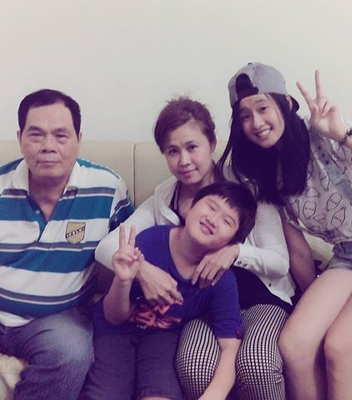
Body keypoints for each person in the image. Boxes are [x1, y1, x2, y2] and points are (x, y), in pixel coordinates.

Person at [219, 62, 352, 400]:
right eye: (245, 116)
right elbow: (299, 250)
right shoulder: (261, 171)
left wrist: (342, 132)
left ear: (286, 103)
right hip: (347, 256)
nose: (256, 122)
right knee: (295, 344)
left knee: (341, 346)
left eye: (263, 108)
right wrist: (311, 300)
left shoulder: (325, 133)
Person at [94, 97, 296, 400]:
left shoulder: (248, 188)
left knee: (257, 364)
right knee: (194, 366)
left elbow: (280, 262)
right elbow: (109, 245)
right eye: (172, 151)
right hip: (202, 305)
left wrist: (235, 252)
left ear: (212, 143)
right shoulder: (164, 198)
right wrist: (142, 271)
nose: (184, 161)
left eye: (192, 147)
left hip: (259, 297)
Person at [0, 89, 133, 400]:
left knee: (71, 351)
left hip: (58, 321)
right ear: (20, 138)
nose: (48, 146)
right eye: (36, 135)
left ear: (78, 139)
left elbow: (136, 243)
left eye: (61, 135)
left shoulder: (107, 188)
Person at [81, 182, 257, 400]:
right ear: (190, 206)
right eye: (211, 207)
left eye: (227, 221)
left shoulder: (220, 279)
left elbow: (230, 346)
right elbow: (114, 318)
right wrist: (123, 281)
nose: (213, 219)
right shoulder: (151, 241)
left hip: (162, 337)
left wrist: (215, 394)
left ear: (232, 241)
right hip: (114, 331)